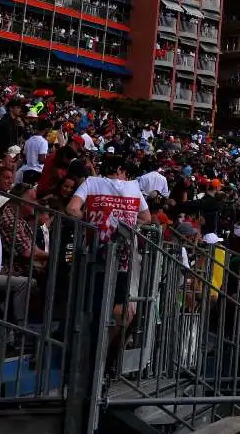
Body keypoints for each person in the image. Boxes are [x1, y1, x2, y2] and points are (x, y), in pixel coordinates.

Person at [67, 154, 152, 370]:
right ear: (121, 169)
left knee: (96, 310)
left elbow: (72, 209)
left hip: (95, 253)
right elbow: (147, 218)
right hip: (121, 258)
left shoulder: (92, 183)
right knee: (119, 311)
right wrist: (129, 225)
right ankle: (100, 357)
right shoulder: (133, 188)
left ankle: (93, 358)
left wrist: (91, 221)